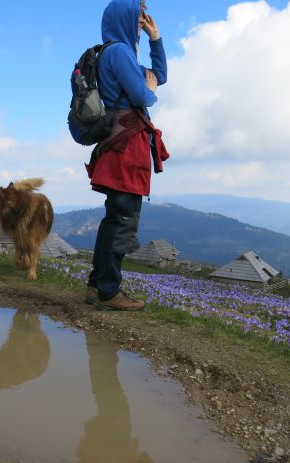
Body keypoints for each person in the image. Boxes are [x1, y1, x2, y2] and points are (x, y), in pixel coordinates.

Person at [84, 0, 169, 311]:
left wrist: (154, 38)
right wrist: (150, 91)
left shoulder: (117, 53)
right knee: (122, 220)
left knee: (113, 220)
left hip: (116, 143)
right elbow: (144, 95)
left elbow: (159, 75)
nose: (141, 19)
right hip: (126, 147)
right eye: (138, 13)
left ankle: (98, 286)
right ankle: (109, 291)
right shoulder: (119, 52)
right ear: (124, 15)